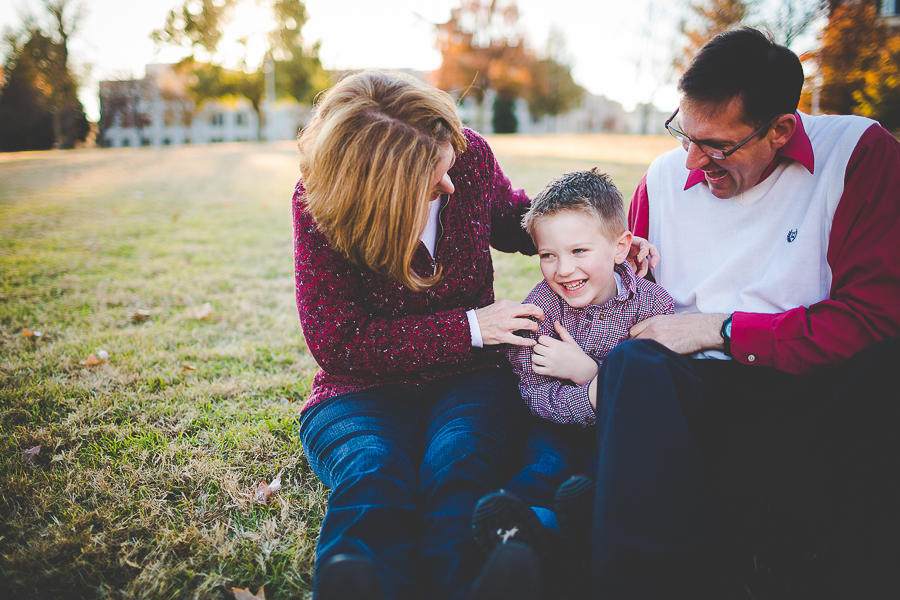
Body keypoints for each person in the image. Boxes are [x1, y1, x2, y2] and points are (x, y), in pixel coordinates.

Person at [586, 28, 900, 598]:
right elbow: (631, 304)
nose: (693, 159)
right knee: (632, 364)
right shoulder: (661, 181)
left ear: (781, 129)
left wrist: (722, 330)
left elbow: (875, 319)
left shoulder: (858, 154)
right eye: (684, 133)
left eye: (718, 146)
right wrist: (612, 278)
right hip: (699, 403)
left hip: (816, 396)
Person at [292, 69, 554, 600]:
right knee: (373, 470)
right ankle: (356, 580)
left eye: (446, 162)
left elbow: (513, 219)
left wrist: (598, 238)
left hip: (471, 379)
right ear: (375, 190)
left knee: (459, 466)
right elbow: (339, 341)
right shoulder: (319, 204)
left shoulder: (467, 155)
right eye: (430, 177)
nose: (450, 183)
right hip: (359, 390)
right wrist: (471, 327)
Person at [469, 169, 674, 579]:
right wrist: (592, 395)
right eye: (549, 255)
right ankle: (523, 528)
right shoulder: (539, 309)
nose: (563, 269)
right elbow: (535, 394)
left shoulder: (653, 305)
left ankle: (589, 532)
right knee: (542, 462)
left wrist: (589, 375)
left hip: (619, 430)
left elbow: (657, 389)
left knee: (611, 472)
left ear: (620, 248)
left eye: (580, 251)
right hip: (555, 426)